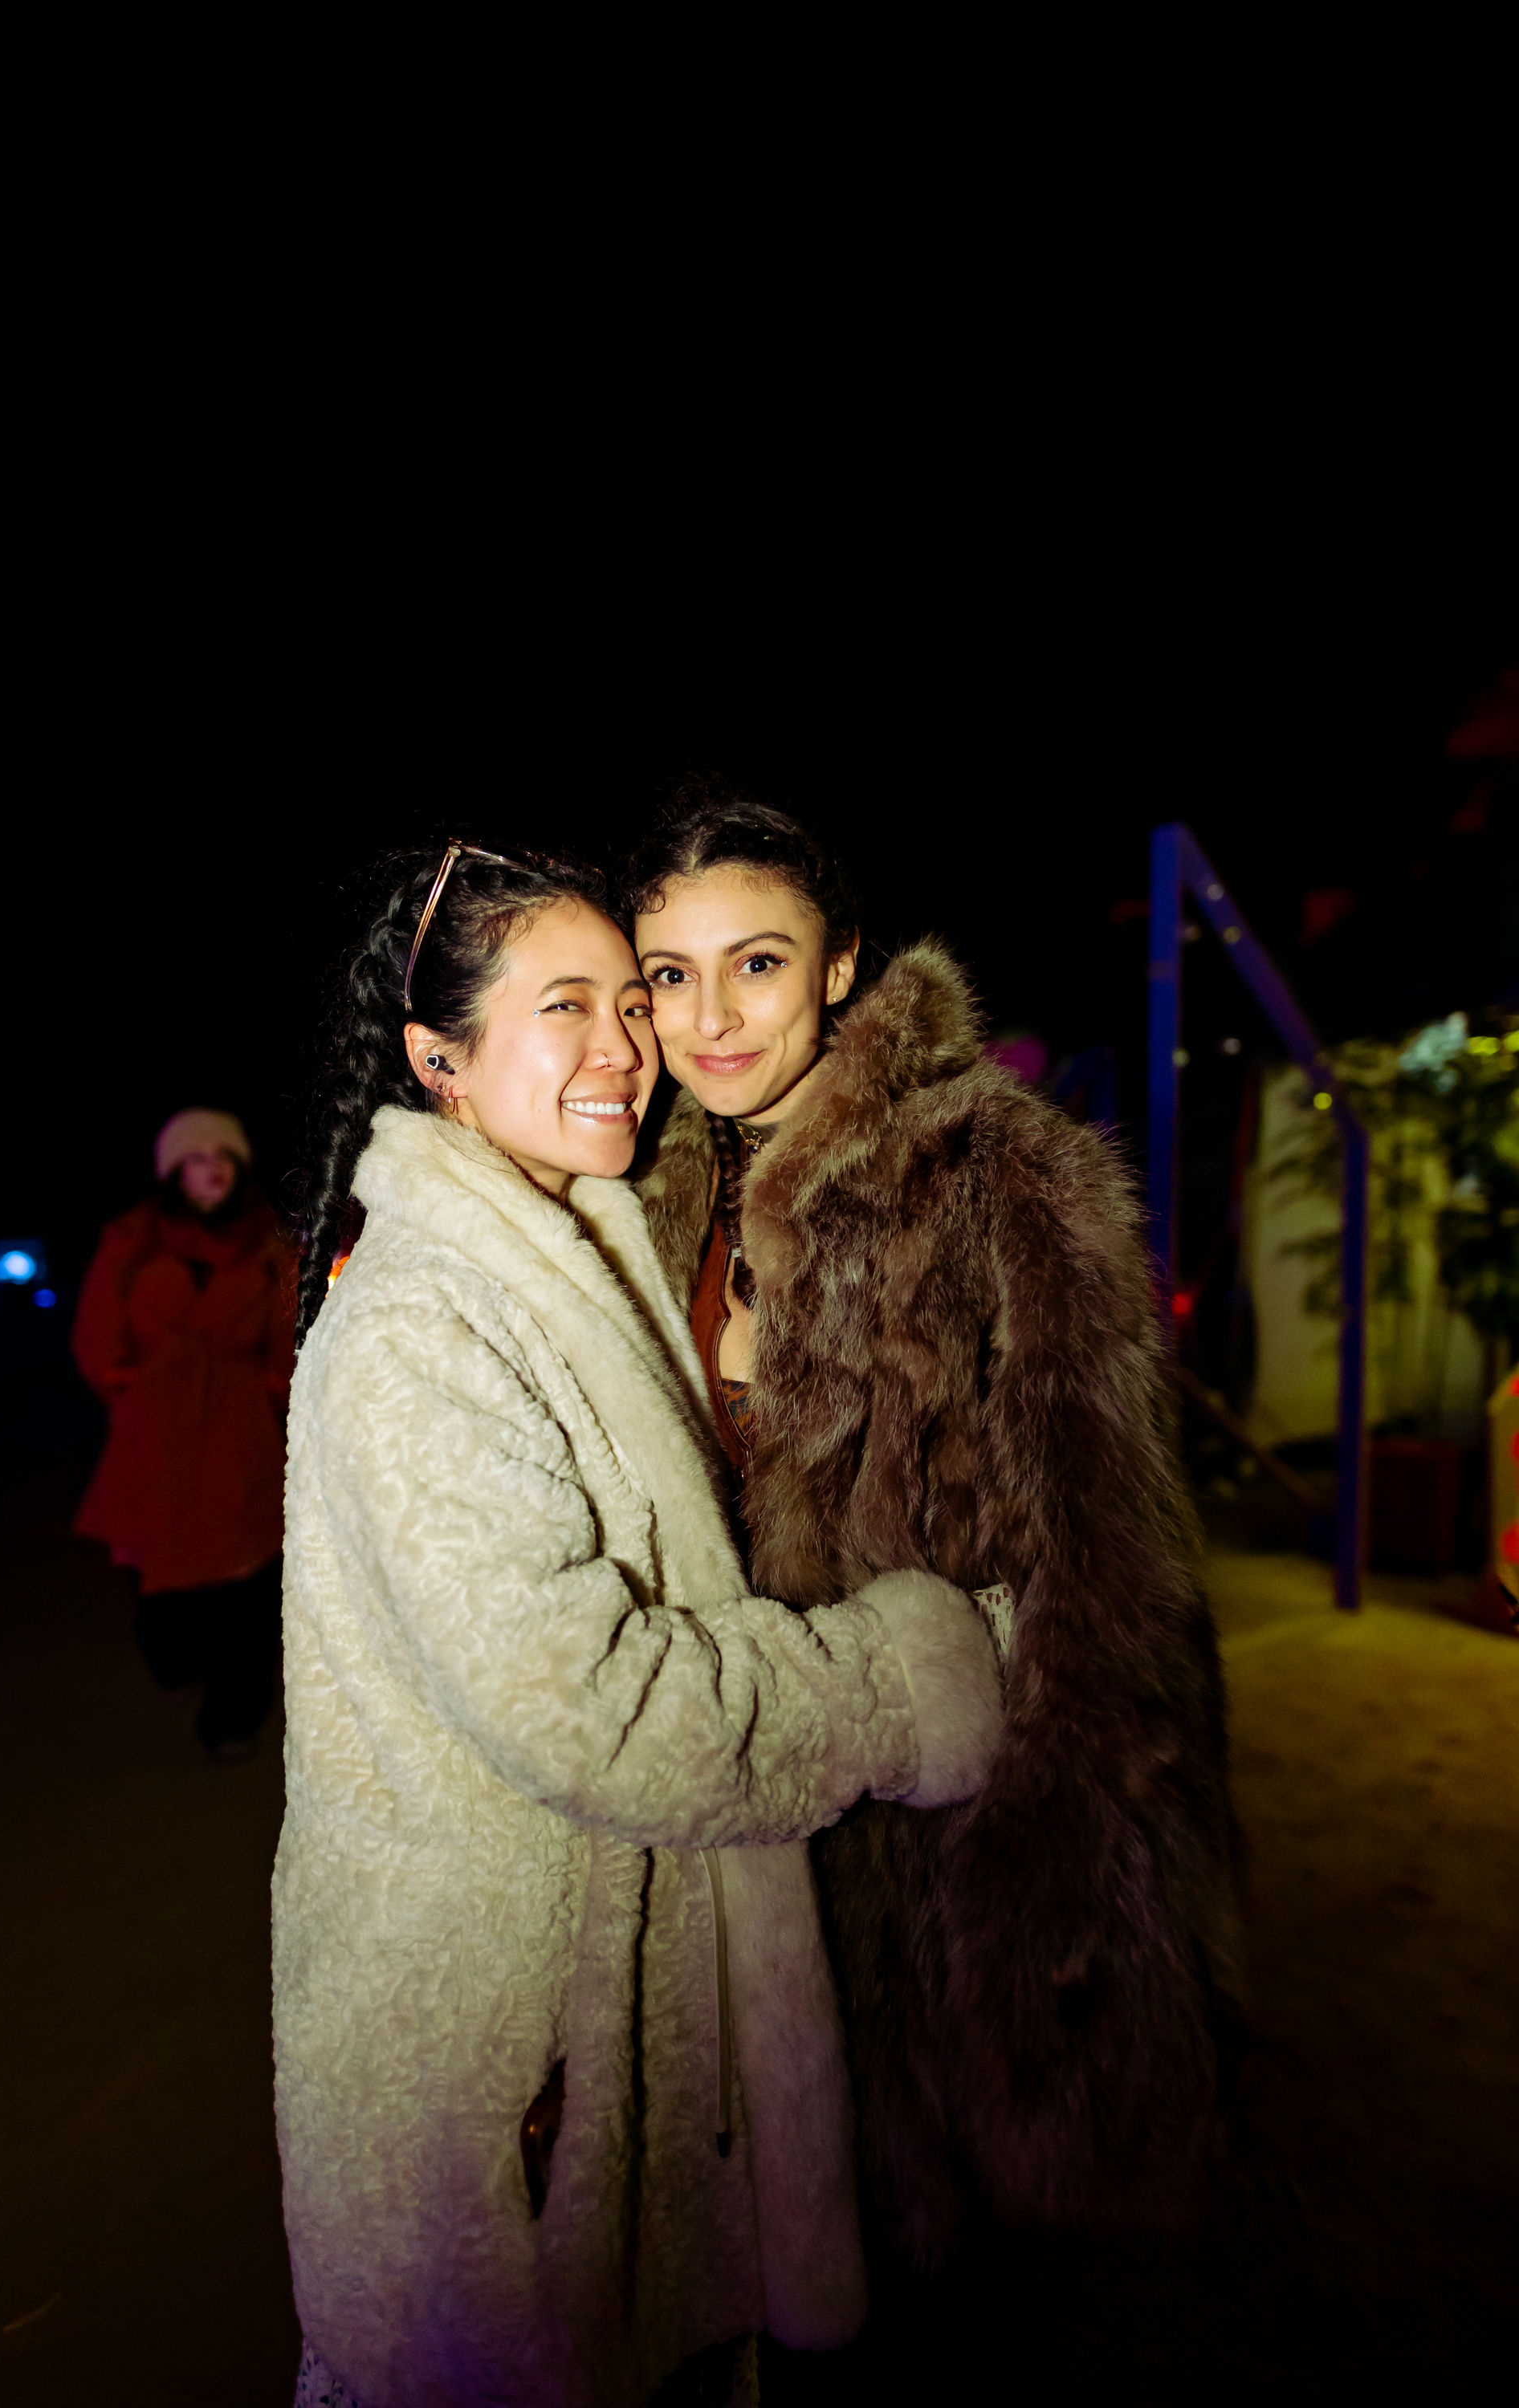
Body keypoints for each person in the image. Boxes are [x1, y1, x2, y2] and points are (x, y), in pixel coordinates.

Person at [278, 842, 1004, 2408]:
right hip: (509, 2063)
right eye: (566, 1006)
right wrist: (916, 1677)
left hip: (617, 2011)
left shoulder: (575, 1248)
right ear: (439, 1058)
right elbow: (600, 1710)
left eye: (631, 999)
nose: (627, 1046)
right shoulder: (419, 1328)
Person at [624, 775, 1244, 2276]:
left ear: (840, 965)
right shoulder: (649, 1195)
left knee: (951, 2249)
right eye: (671, 975)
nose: (712, 1018)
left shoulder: (998, 1169)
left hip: (952, 1822)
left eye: (756, 963)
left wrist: (1058, 1863)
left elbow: (1112, 1561)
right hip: (748, 1797)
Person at [72, 1108, 295, 1762]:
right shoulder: (132, 1242)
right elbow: (96, 1336)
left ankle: (234, 1717)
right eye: (197, 1159)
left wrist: (268, 1395)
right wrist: (127, 1395)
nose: (213, 1170)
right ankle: (175, 1662)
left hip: (237, 1432)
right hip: (156, 1430)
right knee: (161, 1585)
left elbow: (287, 1336)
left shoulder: (270, 1244)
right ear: (173, 1172)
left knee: (246, 1584)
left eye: (224, 1157)